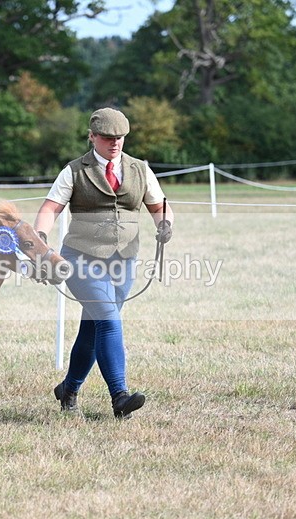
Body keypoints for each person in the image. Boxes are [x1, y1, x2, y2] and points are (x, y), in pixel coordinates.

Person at [33, 107, 173, 419]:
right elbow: (49, 208)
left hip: (123, 260)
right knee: (109, 319)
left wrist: (164, 224)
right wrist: (41, 235)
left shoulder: (140, 170)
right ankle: (119, 397)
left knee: (93, 328)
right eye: (108, 138)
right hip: (80, 259)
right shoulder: (74, 171)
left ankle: (68, 390)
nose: (115, 143)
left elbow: (158, 205)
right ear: (93, 137)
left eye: (120, 138)